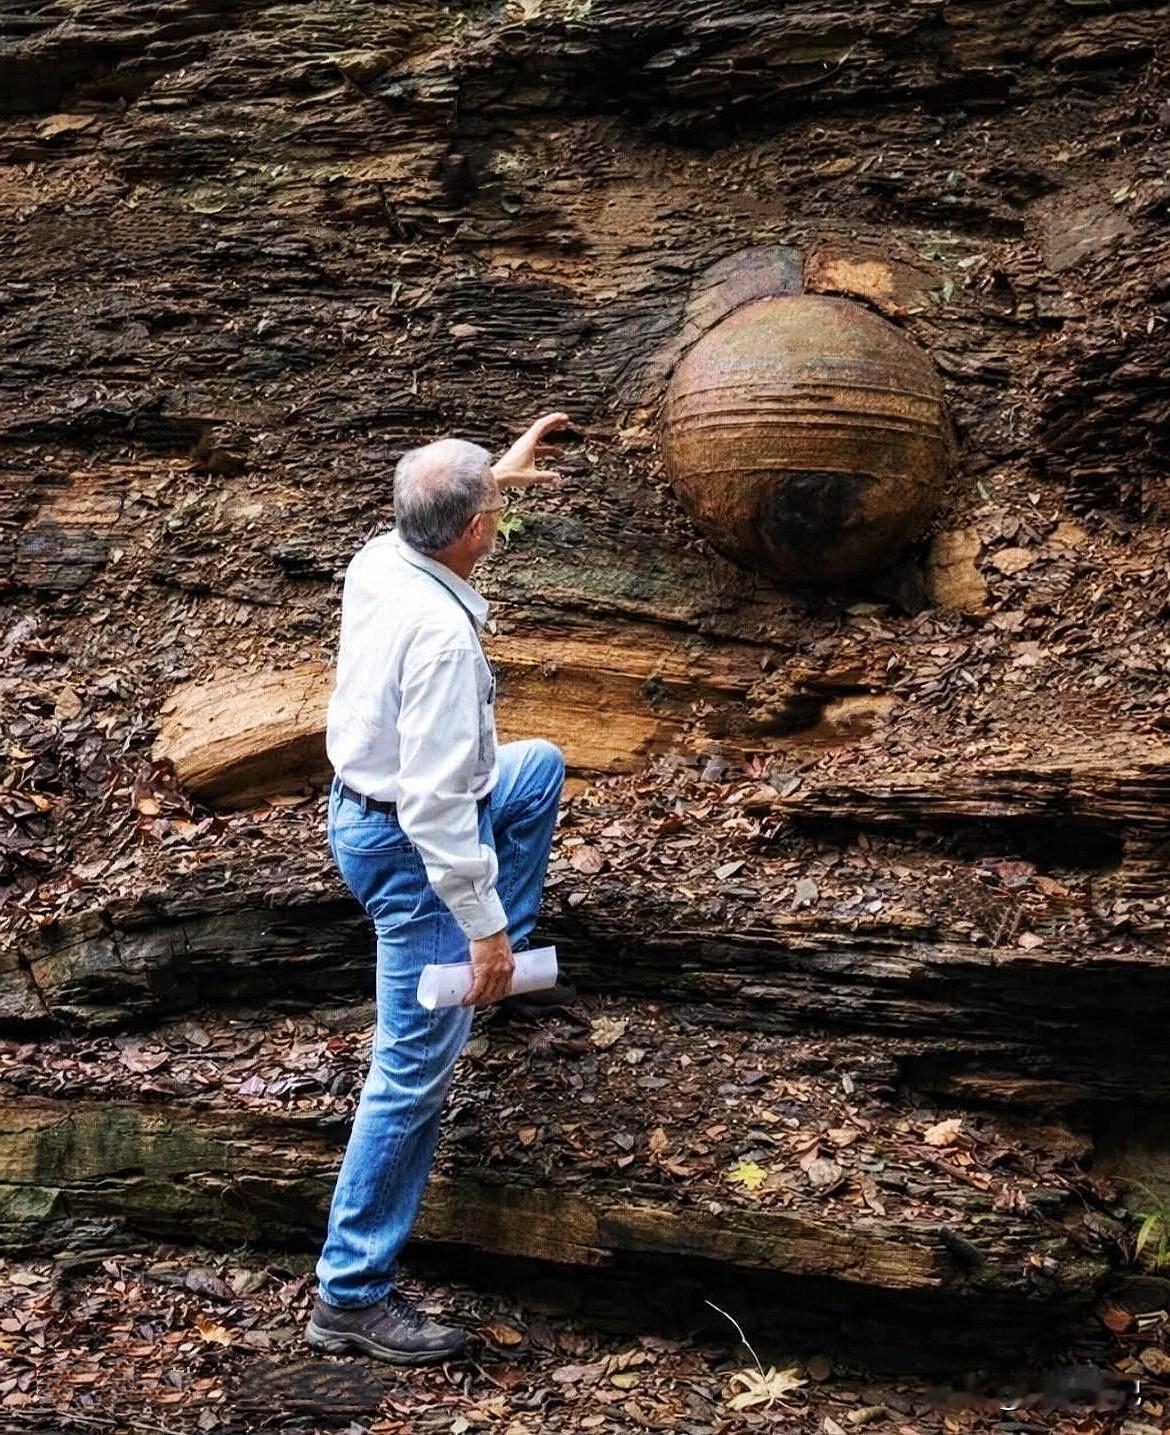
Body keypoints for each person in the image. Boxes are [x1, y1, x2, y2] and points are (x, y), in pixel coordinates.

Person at [305, 414, 571, 1364]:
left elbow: (434, 517)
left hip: (357, 804)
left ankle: (483, 969)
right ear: (468, 534)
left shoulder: (383, 556)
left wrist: (493, 473)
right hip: (407, 844)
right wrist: (487, 931)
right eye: (490, 508)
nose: (496, 515)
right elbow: (437, 813)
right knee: (407, 1079)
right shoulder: (445, 642)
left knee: (535, 766)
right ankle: (350, 1295)